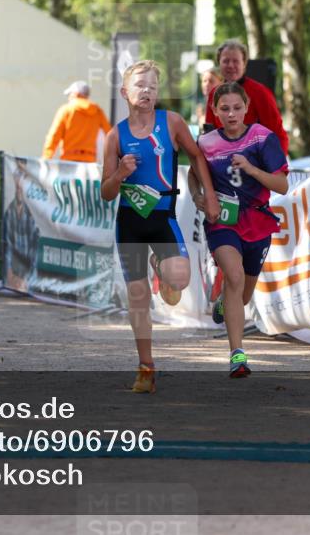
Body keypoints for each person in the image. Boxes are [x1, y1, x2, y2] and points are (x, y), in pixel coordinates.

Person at [101, 60, 219, 393]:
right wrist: (121, 174)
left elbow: (197, 157)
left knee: (179, 279)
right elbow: (106, 193)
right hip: (130, 221)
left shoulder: (172, 123)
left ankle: (160, 267)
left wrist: (208, 196)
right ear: (125, 92)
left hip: (163, 215)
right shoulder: (115, 136)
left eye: (153, 86)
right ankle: (146, 367)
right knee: (138, 296)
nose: (147, 91)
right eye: (140, 85)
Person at [189, 83, 289, 378]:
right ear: (215, 111)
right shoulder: (205, 143)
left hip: (257, 221)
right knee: (232, 275)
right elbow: (194, 176)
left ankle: (224, 301)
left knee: (242, 294)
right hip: (223, 221)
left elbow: (282, 185)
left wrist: (252, 169)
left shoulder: (262, 138)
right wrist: (199, 198)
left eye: (236, 108)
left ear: (246, 108)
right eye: (224, 109)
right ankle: (237, 354)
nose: (231, 114)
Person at [204, 39, 289, 153]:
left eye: (235, 61)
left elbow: (277, 134)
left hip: (257, 162)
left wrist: (275, 166)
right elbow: (210, 134)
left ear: (244, 64)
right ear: (219, 63)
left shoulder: (260, 92)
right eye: (226, 61)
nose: (230, 65)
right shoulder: (213, 94)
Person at [42, 81, 111, 162]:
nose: (69, 98)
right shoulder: (98, 111)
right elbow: (110, 134)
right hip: (89, 162)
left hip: (69, 161)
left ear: (75, 93)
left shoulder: (66, 110)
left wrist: (46, 158)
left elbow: (53, 136)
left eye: (69, 95)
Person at [3, 163, 41, 292]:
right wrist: (9, 275)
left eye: (23, 176)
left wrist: (27, 281)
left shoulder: (33, 213)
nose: (20, 181)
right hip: (14, 275)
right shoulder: (9, 212)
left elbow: (36, 254)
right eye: (17, 175)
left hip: (29, 277)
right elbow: (7, 247)